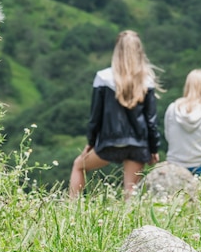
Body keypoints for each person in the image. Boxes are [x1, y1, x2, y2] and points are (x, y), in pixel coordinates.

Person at [69, 30, 163, 200]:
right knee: (130, 193)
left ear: (117, 50)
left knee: (78, 166)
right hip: (138, 145)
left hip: (110, 142)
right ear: (139, 51)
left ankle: (71, 208)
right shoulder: (146, 80)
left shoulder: (103, 78)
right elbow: (151, 121)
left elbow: (95, 117)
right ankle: (130, 224)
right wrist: (154, 148)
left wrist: (90, 143)